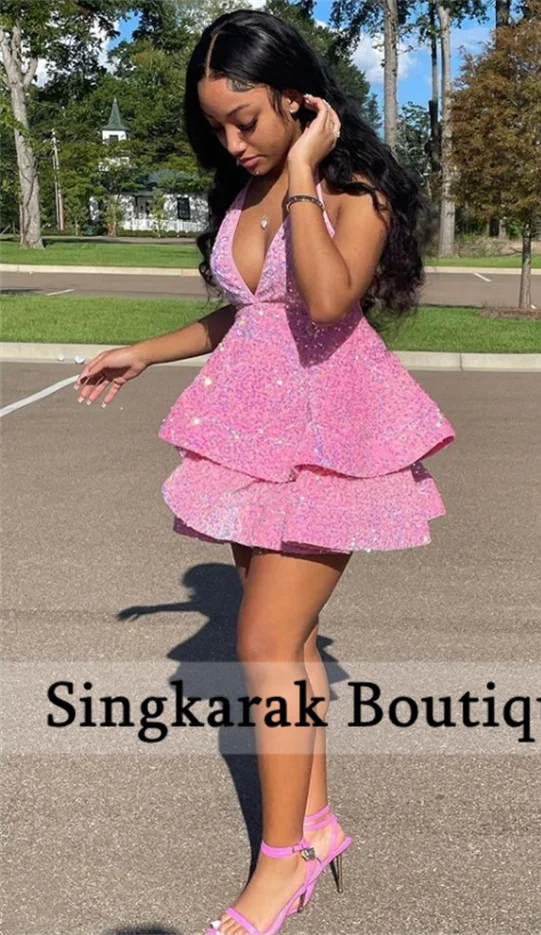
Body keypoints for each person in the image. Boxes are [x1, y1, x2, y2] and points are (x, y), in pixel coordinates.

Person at [74, 9, 455, 935]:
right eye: (217, 128)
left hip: (331, 438)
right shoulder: (244, 192)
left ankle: (280, 864)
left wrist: (303, 173)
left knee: (265, 641)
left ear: (297, 98)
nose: (233, 142)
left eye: (246, 120)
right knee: (294, 639)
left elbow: (324, 298)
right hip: (252, 436)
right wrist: (145, 350)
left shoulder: (353, 190)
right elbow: (247, 312)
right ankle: (315, 822)